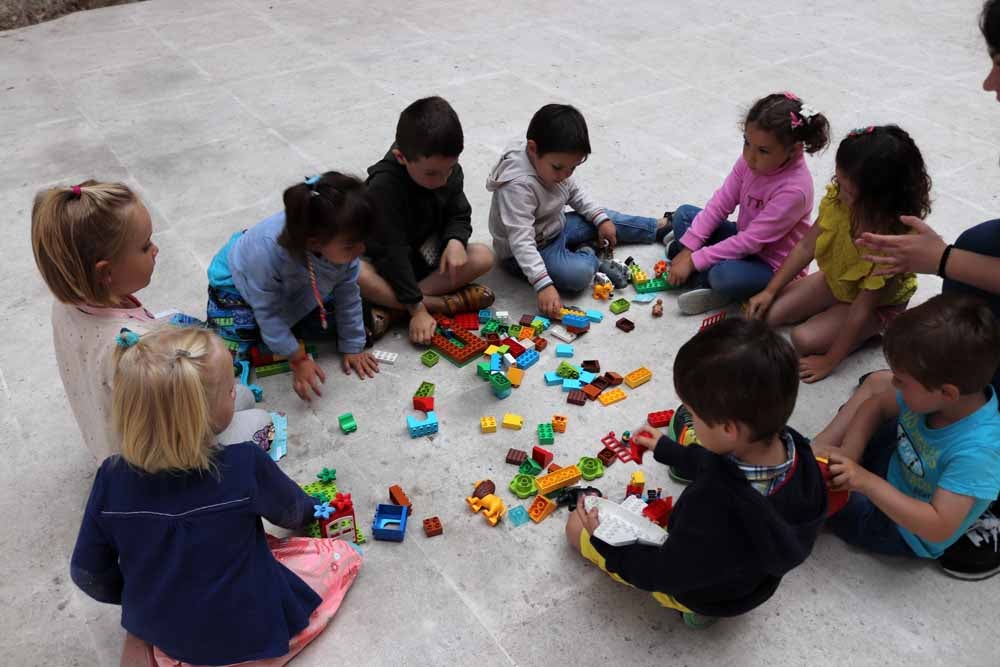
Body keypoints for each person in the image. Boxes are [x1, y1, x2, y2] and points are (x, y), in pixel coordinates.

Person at [70, 327, 362, 666]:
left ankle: (151, 642)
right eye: (228, 390)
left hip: (170, 635)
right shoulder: (244, 464)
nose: (236, 394)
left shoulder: (110, 476)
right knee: (339, 555)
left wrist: (141, 596)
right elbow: (293, 513)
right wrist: (317, 508)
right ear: (200, 417)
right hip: (250, 632)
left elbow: (87, 573)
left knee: (154, 616)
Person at [845, 0, 1000, 580]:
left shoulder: (976, 445)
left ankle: (984, 511)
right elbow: (882, 394)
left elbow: (931, 525)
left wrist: (942, 258)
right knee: (874, 393)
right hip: (931, 426)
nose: (989, 83)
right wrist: (844, 452)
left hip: (915, 519)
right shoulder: (916, 397)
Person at [565, 319, 826, 626]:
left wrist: (604, 541)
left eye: (693, 415)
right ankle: (709, 605)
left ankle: (697, 610)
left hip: (703, 589)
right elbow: (719, 464)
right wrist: (670, 450)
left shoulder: (713, 507)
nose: (689, 420)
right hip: (751, 584)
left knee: (575, 528)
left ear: (729, 429)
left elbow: (664, 572)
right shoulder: (798, 451)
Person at [31, 181, 262, 461]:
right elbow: (178, 426)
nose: (156, 250)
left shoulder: (67, 303)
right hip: (153, 461)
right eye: (144, 246)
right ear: (106, 273)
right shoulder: (135, 349)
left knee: (241, 395)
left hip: (107, 438)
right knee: (258, 417)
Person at [814, 295, 1000, 571]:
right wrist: (850, 451)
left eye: (901, 380)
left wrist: (863, 481)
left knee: (817, 498)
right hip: (898, 461)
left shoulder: (977, 453)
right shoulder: (936, 399)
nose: (893, 382)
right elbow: (875, 406)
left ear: (947, 392)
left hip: (902, 528)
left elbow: (937, 527)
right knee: (870, 419)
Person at [747, 126, 931, 383]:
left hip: (875, 303)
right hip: (838, 279)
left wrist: (830, 360)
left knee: (803, 340)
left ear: (879, 198)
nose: (838, 190)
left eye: (848, 190)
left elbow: (861, 308)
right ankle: (832, 315)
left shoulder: (892, 242)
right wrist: (770, 290)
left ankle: (874, 331)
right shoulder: (838, 200)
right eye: (838, 181)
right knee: (770, 314)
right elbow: (805, 247)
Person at [206, 172, 379, 403]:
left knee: (341, 316)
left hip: (295, 283)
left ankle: (282, 333)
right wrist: (298, 358)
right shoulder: (266, 254)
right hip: (237, 286)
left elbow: (348, 296)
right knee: (234, 345)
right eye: (351, 245)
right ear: (314, 243)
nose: (361, 251)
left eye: (363, 241)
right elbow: (267, 312)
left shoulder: (339, 247)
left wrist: (353, 346)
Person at [487, 103, 670, 319]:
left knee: (604, 218)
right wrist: (543, 284)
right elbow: (521, 241)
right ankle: (589, 251)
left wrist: (600, 220)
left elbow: (575, 193)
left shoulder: (553, 163)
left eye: (572, 168)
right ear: (533, 149)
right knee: (577, 276)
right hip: (528, 251)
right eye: (558, 168)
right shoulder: (517, 186)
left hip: (556, 225)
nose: (565, 175)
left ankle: (656, 227)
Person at [664, 92, 830, 315]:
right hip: (742, 241)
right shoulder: (748, 162)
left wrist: (692, 259)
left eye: (763, 151)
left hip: (771, 266)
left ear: (794, 149)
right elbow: (721, 203)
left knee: (723, 276)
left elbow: (750, 242)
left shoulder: (795, 189)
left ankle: (711, 285)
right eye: (747, 143)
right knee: (684, 215)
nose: (750, 156)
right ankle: (693, 261)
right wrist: (692, 247)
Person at [362, 96, 496, 344]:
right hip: (386, 263)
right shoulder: (382, 188)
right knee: (356, 273)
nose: (443, 180)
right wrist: (419, 311)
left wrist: (455, 240)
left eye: (450, 168)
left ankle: (391, 308)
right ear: (401, 157)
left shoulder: (446, 169)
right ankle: (436, 304)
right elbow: (392, 252)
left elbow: (459, 213)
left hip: (426, 257)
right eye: (432, 173)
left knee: (483, 256)